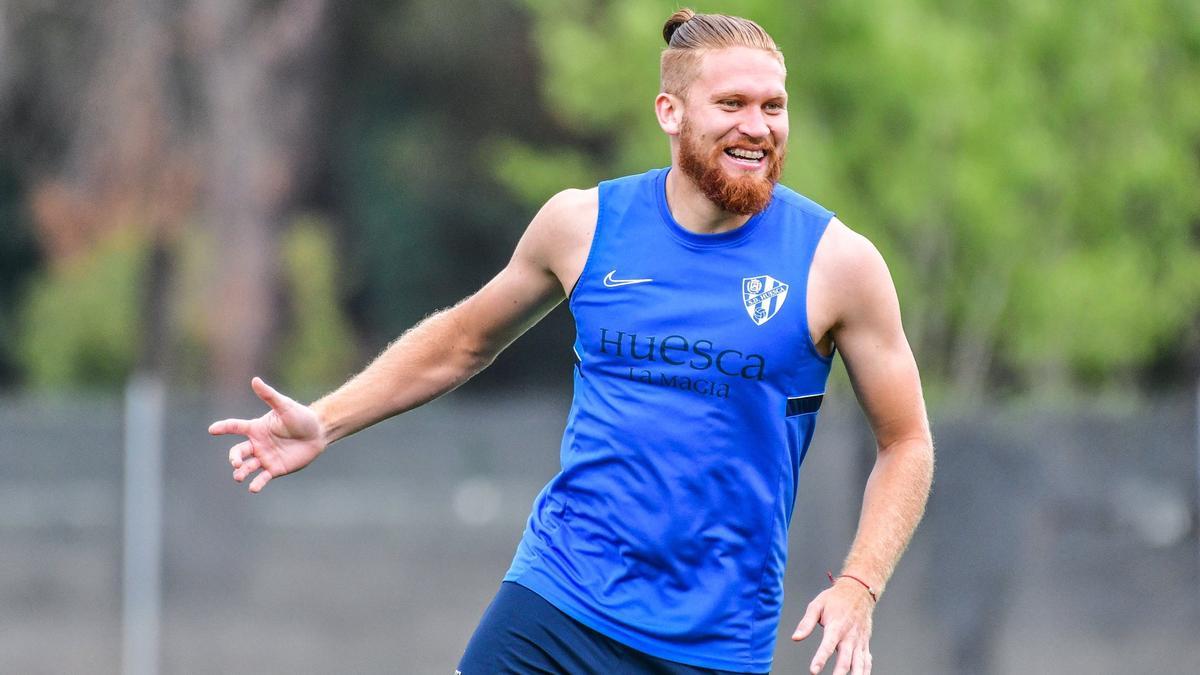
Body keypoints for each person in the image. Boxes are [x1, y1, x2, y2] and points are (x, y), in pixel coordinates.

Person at [208, 9, 933, 675]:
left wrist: (859, 585)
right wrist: (326, 419)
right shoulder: (583, 225)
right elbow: (463, 339)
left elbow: (906, 442)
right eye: (733, 105)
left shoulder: (837, 264)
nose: (759, 126)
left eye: (773, 107)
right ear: (670, 113)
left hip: (712, 640)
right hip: (558, 602)